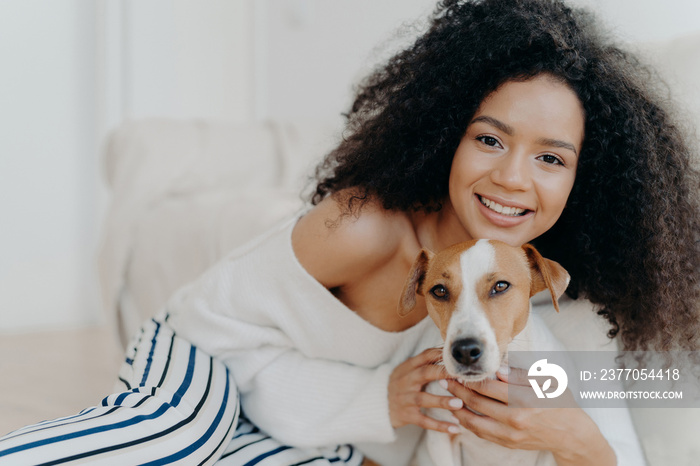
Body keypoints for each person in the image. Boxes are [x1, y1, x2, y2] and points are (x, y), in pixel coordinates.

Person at [1, 0, 699, 464]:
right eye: (491, 139)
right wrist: (377, 399)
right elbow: (210, 331)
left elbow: (637, 408)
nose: (515, 177)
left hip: (313, 436)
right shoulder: (364, 225)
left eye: (551, 157)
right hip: (199, 373)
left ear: (588, 180)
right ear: (446, 133)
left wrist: (577, 434)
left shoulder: (538, 291)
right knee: (175, 437)